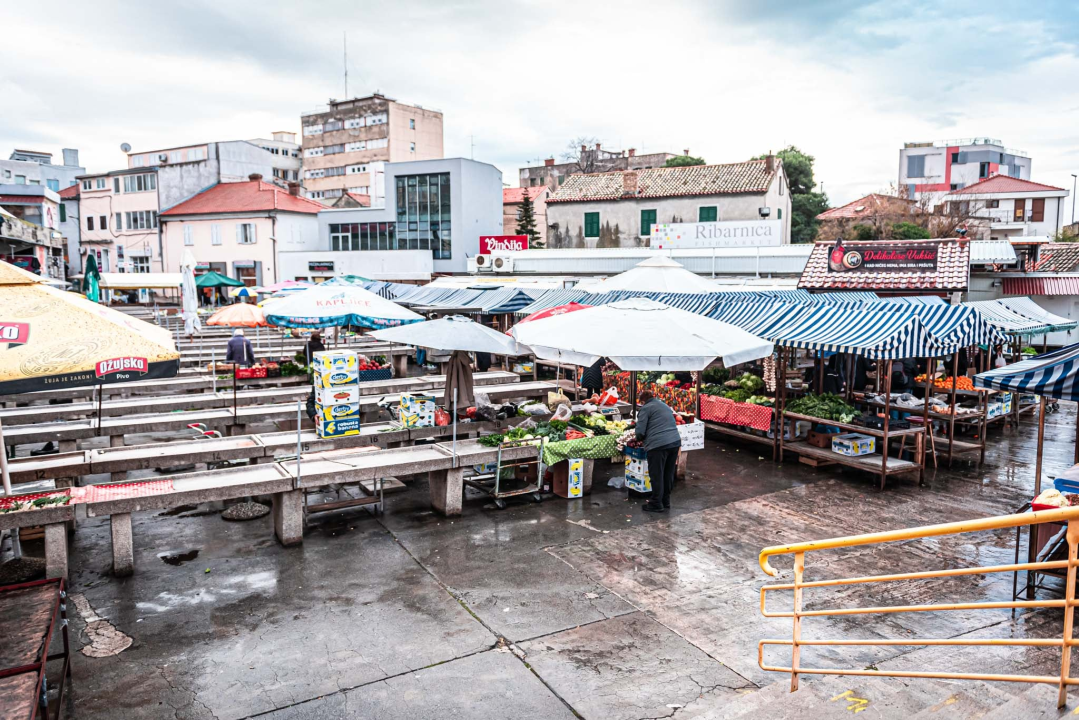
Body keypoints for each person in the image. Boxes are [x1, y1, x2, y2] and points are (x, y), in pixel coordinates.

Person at [635, 389, 682, 513]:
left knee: (657, 474)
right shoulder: (664, 405)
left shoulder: (645, 408)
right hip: (674, 442)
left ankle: (656, 503)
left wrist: (639, 438)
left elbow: (640, 431)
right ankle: (665, 501)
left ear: (643, 401)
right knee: (668, 473)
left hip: (658, 445)